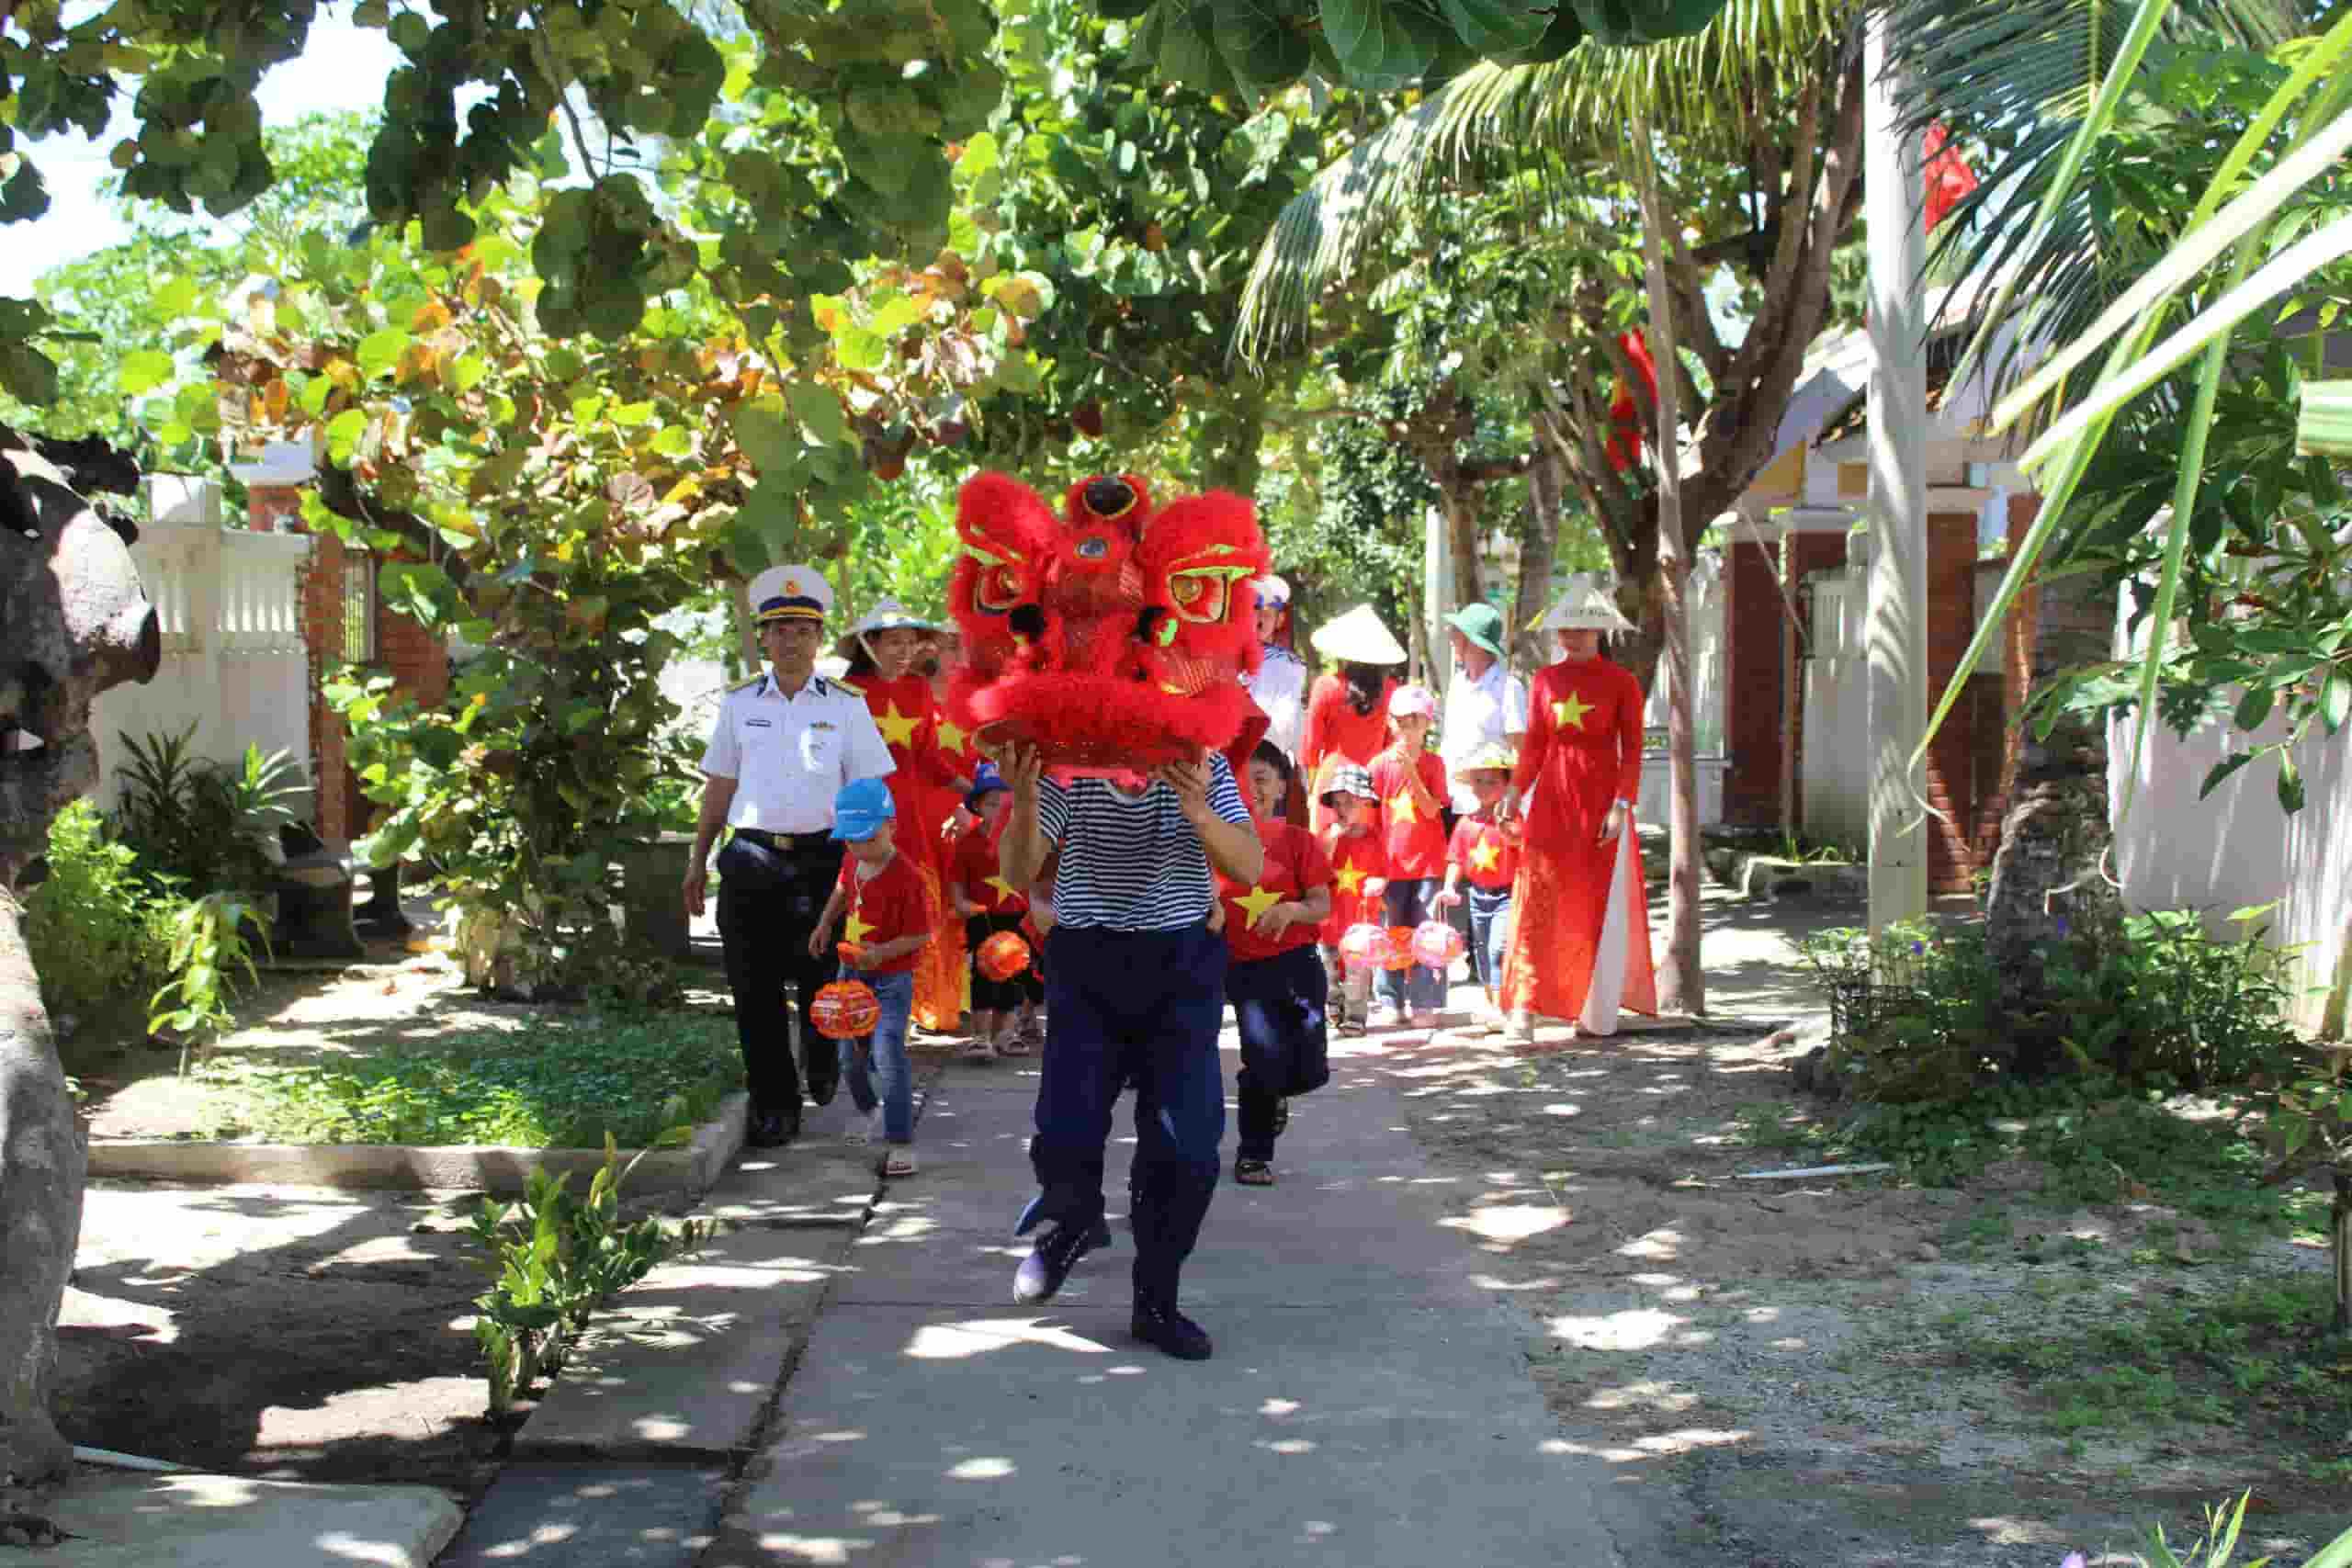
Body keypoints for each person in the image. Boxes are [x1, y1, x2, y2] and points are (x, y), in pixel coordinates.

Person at [996, 738, 1262, 1361]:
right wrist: (1026, 798)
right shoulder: (1070, 765)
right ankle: (1073, 1218)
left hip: (1181, 964)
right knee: (1065, 1130)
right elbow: (1017, 871)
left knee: (1188, 1147)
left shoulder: (1204, 761)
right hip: (1087, 960)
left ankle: (1156, 1297)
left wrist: (1199, 812)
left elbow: (1249, 866)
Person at [686, 564, 895, 1147]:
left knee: (821, 979)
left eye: (803, 628)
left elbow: (870, 790)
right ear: (764, 637)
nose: (791, 639)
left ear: (818, 636)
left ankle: (822, 1054)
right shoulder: (738, 704)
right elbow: (720, 787)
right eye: (779, 628)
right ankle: (775, 1105)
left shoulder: (847, 706)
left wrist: (878, 864)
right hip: (750, 858)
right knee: (753, 992)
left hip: (824, 861)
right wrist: (696, 860)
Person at [1498, 575, 1657, 1043]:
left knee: (1596, 901)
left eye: (1580, 627)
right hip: (1551, 803)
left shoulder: (1623, 682)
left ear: (1599, 631)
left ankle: (1594, 1009)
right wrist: (1513, 790)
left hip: (1602, 803)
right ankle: (1525, 1008)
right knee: (1538, 900)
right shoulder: (1545, 679)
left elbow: (1633, 751)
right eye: (1563, 627)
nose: (1570, 635)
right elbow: (1535, 747)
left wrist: (1621, 805)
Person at [837, 601, 975, 1036]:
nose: (905, 651)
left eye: (910, 642)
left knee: (917, 912)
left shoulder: (917, 691)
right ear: (869, 643)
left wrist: (980, 793)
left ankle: (916, 1008)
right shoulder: (845, 694)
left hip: (910, 821)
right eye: (895, 641)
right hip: (861, 819)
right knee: (867, 910)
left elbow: (931, 760)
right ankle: (858, 1012)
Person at [1215, 741, 1331, 1187]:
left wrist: (1291, 911)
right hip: (1246, 971)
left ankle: (1278, 1092)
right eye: (1240, 778)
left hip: (1300, 965)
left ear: (1282, 785)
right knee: (1261, 1059)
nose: (1251, 788)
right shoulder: (1215, 844)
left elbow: (1321, 903)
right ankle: (1254, 1154)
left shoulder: (1299, 841)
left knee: (1308, 1067)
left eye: (1262, 777)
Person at [808, 777, 933, 1178]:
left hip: (891, 980)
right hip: (851, 974)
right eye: (852, 840)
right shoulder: (851, 859)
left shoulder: (908, 878)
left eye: (868, 838)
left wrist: (881, 953)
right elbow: (842, 888)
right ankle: (867, 1110)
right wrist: (825, 924)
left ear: (892, 827)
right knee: (847, 1055)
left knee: (887, 1054)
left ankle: (901, 1143)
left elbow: (920, 935)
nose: (860, 848)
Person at [1365, 683, 1450, 1029]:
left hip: (1428, 863)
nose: (1407, 729)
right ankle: (1390, 998)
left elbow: (1432, 809)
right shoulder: (1377, 765)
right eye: (1401, 721)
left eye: (1415, 721)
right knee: (1392, 931)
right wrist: (1372, 866)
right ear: (1389, 722)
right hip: (1390, 865)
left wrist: (1412, 771)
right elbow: (1369, 819)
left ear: (1427, 723)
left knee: (1426, 933)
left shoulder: (1435, 763)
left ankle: (1425, 1001)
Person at [950, 761, 1043, 1059]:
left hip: (1018, 916)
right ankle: (980, 1036)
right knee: (984, 974)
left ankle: (1006, 1032)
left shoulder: (1024, 840)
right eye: (992, 804)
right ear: (977, 805)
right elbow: (957, 882)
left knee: (1014, 973)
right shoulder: (967, 843)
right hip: (983, 917)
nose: (999, 809)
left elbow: (1037, 876)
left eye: (1007, 804)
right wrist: (961, 904)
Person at [1432, 741, 1521, 1030]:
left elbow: (1522, 844)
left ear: (1506, 785)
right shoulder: (1466, 823)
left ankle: (1502, 1007)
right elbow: (1456, 858)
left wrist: (1508, 830)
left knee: (1499, 948)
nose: (1484, 787)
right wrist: (1449, 887)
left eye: (1492, 781)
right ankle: (1491, 1003)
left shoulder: (1513, 818)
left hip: (1507, 895)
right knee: (1481, 950)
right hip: (1477, 895)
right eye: (1478, 781)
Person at [1301, 603, 1406, 833]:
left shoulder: (1326, 686)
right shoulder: (1391, 690)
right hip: (1370, 789)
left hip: (1331, 790)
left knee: (1328, 861)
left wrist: (1311, 792)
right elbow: (1392, 744)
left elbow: (1311, 749)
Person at [1437, 602, 1529, 820]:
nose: (1451, 639)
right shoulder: (1457, 683)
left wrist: (1510, 801)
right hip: (1451, 801)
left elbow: (1519, 751)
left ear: (1474, 642)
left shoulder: (1509, 687)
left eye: (1456, 633)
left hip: (1490, 807)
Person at [1314, 762, 1385, 1035]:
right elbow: (1317, 870)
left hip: (1360, 920)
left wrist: (1380, 882)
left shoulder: (1374, 838)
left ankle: (1356, 1014)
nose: (1343, 809)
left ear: (1365, 802)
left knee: (1358, 971)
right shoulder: (1327, 836)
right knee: (1328, 968)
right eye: (1338, 803)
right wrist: (1331, 842)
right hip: (1330, 919)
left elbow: (1383, 871)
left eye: (1351, 802)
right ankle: (1334, 1003)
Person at [1242, 574, 1308, 764]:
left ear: (1280, 620)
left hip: (1262, 757)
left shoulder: (1288, 666)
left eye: (1268, 613)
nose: (1260, 618)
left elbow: (1283, 725)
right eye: (1254, 610)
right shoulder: (1223, 656)